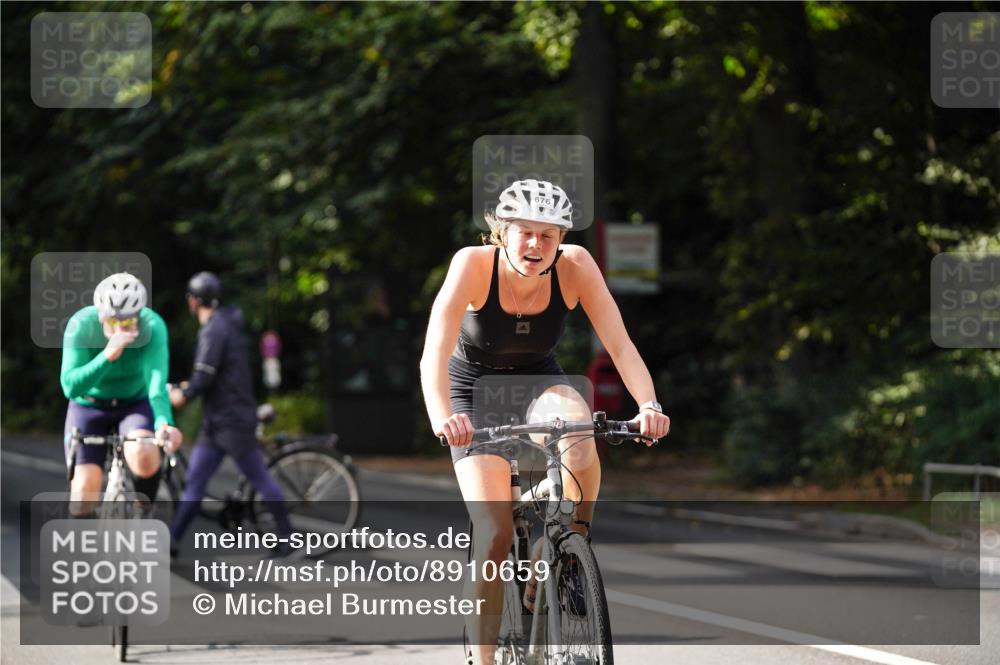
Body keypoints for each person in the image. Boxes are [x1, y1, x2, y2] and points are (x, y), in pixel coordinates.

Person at [420, 179, 671, 665]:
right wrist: (444, 418)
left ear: (561, 240)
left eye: (548, 235)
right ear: (502, 233)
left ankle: (567, 549)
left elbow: (619, 344)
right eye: (525, 233)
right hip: (472, 390)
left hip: (538, 380)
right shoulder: (472, 265)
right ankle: (485, 659)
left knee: (580, 439)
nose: (536, 245)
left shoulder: (576, 266)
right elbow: (434, 350)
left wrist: (649, 406)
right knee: (493, 533)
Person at [168, 272, 294, 556]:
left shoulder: (214, 329)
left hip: (232, 420)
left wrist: (184, 394)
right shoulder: (224, 324)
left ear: (194, 301)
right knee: (195, 483)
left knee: (259, 477)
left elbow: (206, 373)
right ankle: (172, 541)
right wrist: (191, 386)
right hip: (218, 421)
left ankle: (287, 537)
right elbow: (214, 374)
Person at [61, 272, 184, 515]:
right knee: (84, 493)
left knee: (143, 452)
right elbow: (70, 386)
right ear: (100, 315)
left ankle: (142, 512)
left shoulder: (152, 327)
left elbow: (156, 384)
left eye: (127, 324)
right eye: (112, 323)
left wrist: (164, 424)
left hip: (133, 404)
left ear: (139, 317)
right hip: (88, 405)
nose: (119, 330)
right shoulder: (80, 325)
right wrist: (107, 355)